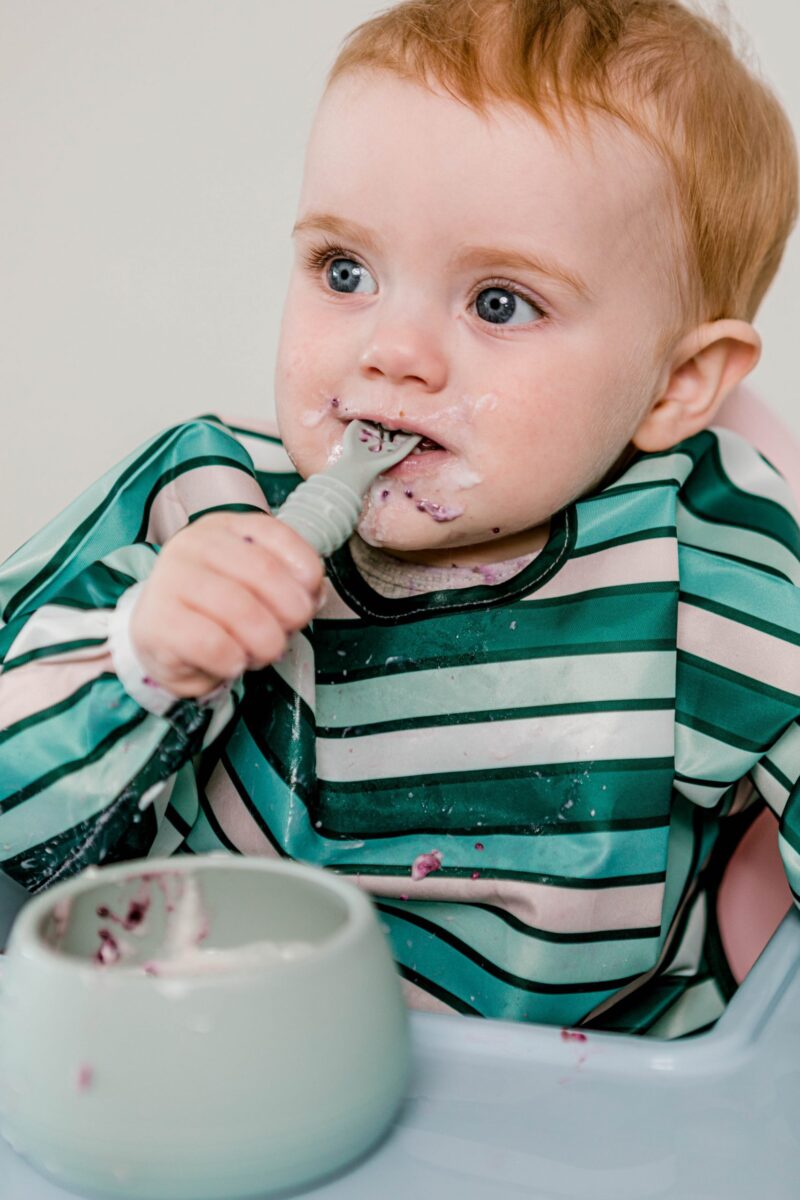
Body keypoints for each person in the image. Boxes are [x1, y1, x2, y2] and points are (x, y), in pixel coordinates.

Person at [1, 0, 798, 1039]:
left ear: (674, 384)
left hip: (571, 1110)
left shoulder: (704, 564)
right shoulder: (200, 500)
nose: (392, 350)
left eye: (498, 301)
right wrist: (138, 652)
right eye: (344, 272)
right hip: (206, 1047)